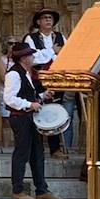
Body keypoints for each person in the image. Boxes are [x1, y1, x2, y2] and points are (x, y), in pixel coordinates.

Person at [4, 43, 62, 199]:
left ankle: (41, 189)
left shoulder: (26, 73)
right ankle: (17, 190)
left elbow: (28, 95)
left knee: (37, 153)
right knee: (22, 154)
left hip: (30, 117)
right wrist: (30, 105)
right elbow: (9, 99)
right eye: (30, 55)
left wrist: (42, 96)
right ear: (23, 58)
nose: (33, 57)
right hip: (20, 118)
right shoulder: (14, 74)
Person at [28, 9, 74, 160]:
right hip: (38, 80)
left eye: (50, 18)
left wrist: (49, 54)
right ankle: (35, 147)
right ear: (38, 22)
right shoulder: (31, 38)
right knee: (38, 110)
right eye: (45, 18)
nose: (48, 20)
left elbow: (67, 55)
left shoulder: (61, 37)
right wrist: (52, 52)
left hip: (57, 80)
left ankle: (55, 148)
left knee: (55, 112)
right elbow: (33, 58)